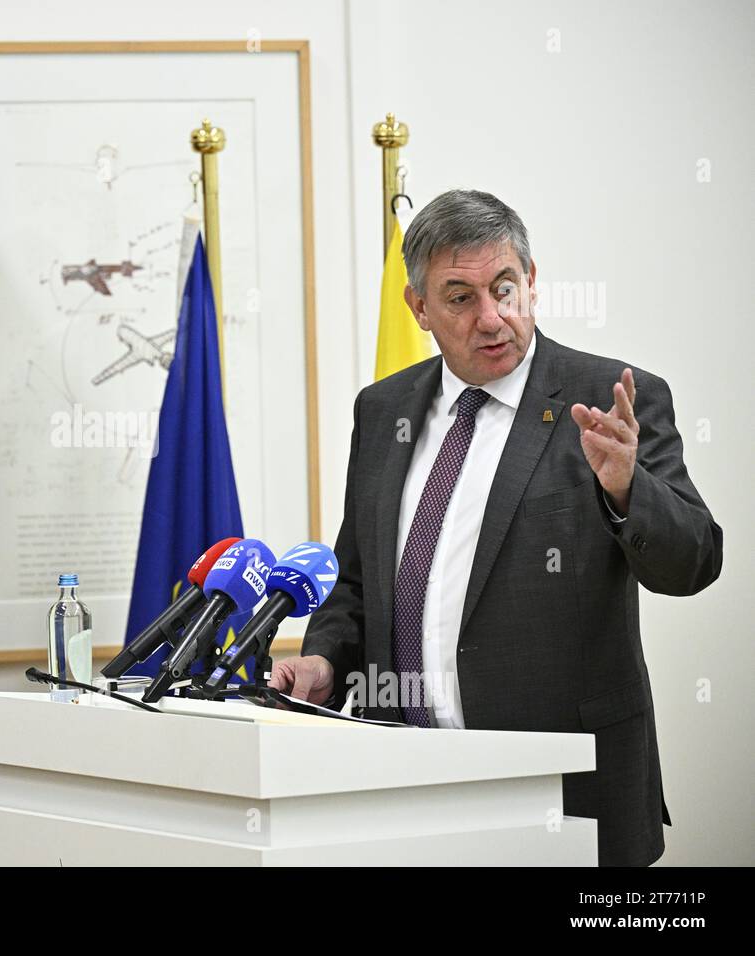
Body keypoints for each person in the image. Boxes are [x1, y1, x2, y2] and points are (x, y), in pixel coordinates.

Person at [270, 189, 722, 867]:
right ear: (417, 308)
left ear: (531, 283)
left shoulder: (609, 401)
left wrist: (631, 488)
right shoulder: (382, 410)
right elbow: (359, 580)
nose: (492, 317)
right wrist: (325, 659)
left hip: (564, 790)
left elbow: (693, 564)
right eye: (459, 297)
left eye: (504, 288)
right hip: (402, 785)